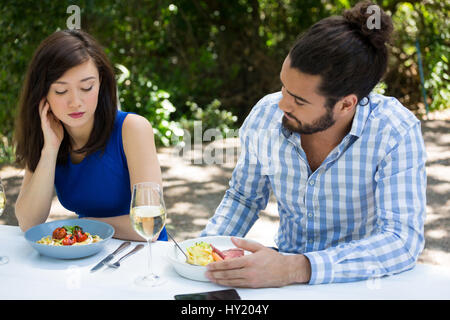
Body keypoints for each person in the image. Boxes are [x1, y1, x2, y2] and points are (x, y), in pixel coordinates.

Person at [201, 1, 427, 287]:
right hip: (283, 282)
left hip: (360, 284)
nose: (282, 104)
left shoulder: (395, 131)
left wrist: (296, 268)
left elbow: (401, 240)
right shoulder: (265, 114)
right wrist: (199, 255)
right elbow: (243, 198)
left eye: (299, 100)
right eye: (284, 87)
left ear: (346, 104)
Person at [14, 29, 167, 242]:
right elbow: (28, 222)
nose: (75, 102)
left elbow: (150, 224)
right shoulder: (48, 136)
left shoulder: (132, 129)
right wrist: (50, 149)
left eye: (86, 87)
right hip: (88, 254)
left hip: (140, 255)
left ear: (101, 83)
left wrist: (81, 227)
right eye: (60, 91)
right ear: (43, 93)